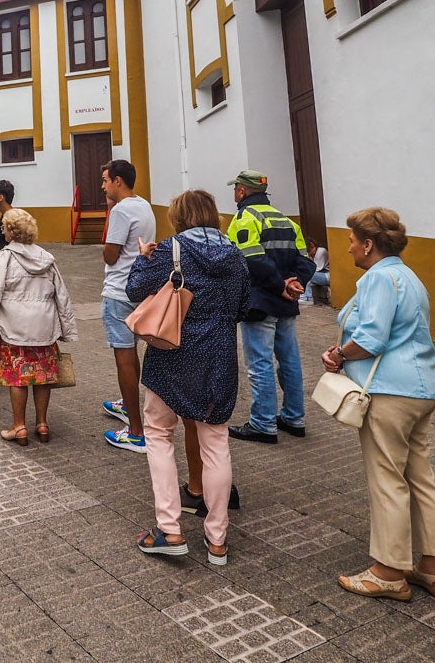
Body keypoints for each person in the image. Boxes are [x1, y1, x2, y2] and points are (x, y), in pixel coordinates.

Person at [320, 207, 435, 602]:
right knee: (419, 478)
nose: (347, 249)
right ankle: (434, 567)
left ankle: (388, 570)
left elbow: (372, 338)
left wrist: (340, 355)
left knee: (387, 480)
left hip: (389, 391)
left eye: (351, 242)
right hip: (422, 388)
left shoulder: (378, 278)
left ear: (368, 244)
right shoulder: (408, 277)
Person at [127, 189, 261, 564]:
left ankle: (169, 529)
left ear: (179, 217)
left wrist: (142, 260)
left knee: (157, 434)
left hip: (172, 357)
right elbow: (242, 307)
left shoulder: (171, 250)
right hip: (219, 358)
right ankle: (217, 540)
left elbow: (134, 290)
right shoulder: (235, 256)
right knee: (215, 441)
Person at [225, 169, 317, 444]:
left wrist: (279, 285)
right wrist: (295, 284)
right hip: (285, 304)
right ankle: (293, 418)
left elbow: (250, 259)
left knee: (260, 364)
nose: (234, 194)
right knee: (289, 361)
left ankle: (263, 424)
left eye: (235, 189)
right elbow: (306, 259)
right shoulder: (286, 220)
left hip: (259, 301)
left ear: (241, 191)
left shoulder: (244, 218)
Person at [0, 208, 76, 444]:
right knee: (43, 376)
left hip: (13, 328)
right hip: (44, 328)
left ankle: (19, 427)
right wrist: (67, 328)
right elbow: (61, 295)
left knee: (17, 377)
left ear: (10, 232)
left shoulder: (5, 257)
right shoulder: (46, 258)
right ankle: (42, 424)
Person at [99, 159, 157, 453]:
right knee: (132, 351)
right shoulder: (144, 205)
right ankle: (129, 403)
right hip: (140, 288)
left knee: (123, 357)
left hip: (118, 290)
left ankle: (136, 431)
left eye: (106, 180)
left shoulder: (120, 211)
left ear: (118, 181)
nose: (103, 185)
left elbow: (110, 255)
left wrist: (110, 215)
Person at [303, 237, 330, 306]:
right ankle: (306, 297)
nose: (309, 253)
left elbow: (316, 268)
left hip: (327, 276)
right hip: (321, 274)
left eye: (310, 250)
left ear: (312, 246)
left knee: (307, 274)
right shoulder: (313, 254)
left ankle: (307, 298)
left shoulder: (321, 251)